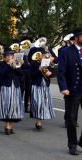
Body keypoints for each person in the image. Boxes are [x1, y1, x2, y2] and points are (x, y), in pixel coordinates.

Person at [57, 27, 82, 155]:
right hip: (72, 90)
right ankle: (72, 145)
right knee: (72, 119)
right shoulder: (66, 51)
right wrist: (63, 87)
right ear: (77, 37)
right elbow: (60, 71)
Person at [0, 48, 24, 135]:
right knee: (7, 107)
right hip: (6, 87)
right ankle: (7, 126)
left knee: (13, 107)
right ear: (4, 56)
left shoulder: (16, 63)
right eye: (7, 55)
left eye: (10, 55)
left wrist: (17, 66)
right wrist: (9, 66)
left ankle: (9, 126)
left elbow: (21, 74)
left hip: (15, 87)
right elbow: (1, 73)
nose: (8, 57)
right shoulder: (1, 64)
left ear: (13, 56)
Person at [30, 48, 55, 131]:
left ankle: (40, 120)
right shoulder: (33, 63)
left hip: (45, 86)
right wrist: (38, 70)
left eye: (43, 55)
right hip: (36, 86)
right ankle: (38, 122)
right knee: (38, 104)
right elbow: (31, 75)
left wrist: (49, 73)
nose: (42, 56)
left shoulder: (47, 62)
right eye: (40, 55)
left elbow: (52, 72)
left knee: (44, 103)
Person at [20, 36, 33, 113]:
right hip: (23, 72)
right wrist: (25, 64)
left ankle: (26, 107)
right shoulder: (21, 51)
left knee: (28, 90)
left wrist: (30, 63)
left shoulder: (31, 51)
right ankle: (20, 106)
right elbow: (20, 64)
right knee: (22, 90)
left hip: (29, 73)